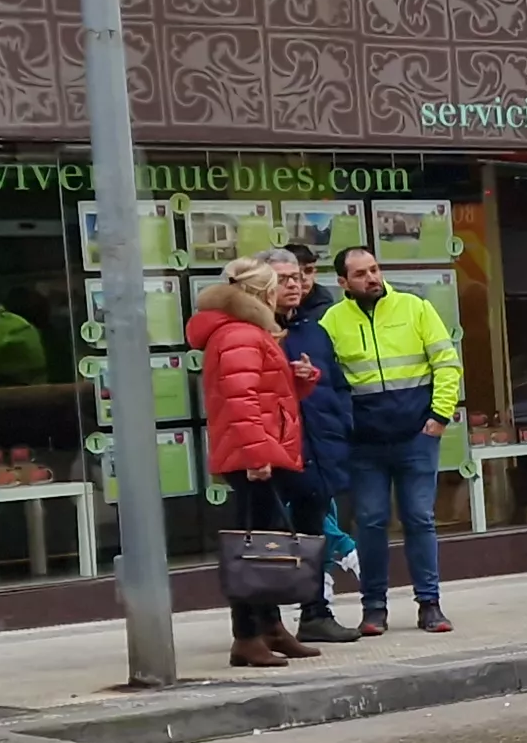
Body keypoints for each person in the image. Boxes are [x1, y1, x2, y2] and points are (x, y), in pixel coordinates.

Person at [194, 256, 327, 669]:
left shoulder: (245, 333)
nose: (281, 292)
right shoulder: (239, 335)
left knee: (264, 542)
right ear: (259, 293)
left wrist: (298, 381)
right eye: (275, 286)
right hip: (252, 454)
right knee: (251, 548)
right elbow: (241, 403)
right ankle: (247, 635)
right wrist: (256, 455)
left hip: (258, 449)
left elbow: (261, 397)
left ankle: (269, 628)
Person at [323, 245, 461, 635]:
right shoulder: (333, 321)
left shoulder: (414, 308)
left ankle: (430, 604)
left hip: (416, 436)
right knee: (370, 521)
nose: (372, 278)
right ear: (343, 282)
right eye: (361, 273)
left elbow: (447, 363)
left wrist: (439, 415)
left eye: (375, 269)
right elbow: (330, 383)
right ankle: (374, 608)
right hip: (365, 443)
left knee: (420, 518)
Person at [272, 250, 359, 643]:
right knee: (270, 538)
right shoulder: (255, 332)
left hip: (318, 449)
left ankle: (315, 614)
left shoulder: (312, 329)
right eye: (284, 278)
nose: (294, 284)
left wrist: (342, 426)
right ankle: (264, 623)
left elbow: (336, 385)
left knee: (313, 535)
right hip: (273, 453)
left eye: (298, 276)